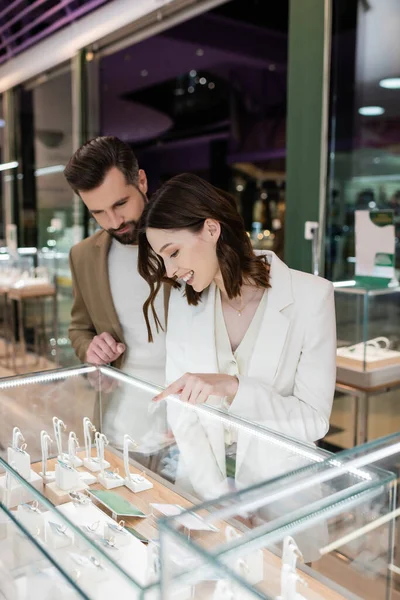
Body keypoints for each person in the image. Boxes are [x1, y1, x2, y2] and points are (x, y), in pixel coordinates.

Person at [137, 173, 336, 496]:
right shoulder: (184, 302)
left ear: (212, 229)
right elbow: (181, 411)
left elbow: (313, 421)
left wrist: (233, 387)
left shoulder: (312, 297)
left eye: (173, 253)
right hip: (203, 494)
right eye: (162, 258)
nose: (169, 271)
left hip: (282, 495)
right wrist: (218, 496)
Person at [64, 136, 168, 445]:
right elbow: (80, 328)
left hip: (189, 420)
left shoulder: (187, 242)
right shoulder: (83, 256)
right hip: (120, 423)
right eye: (98, 212)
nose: (115, 221)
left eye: (120, 204)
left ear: (142, 180)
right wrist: (91, 350)